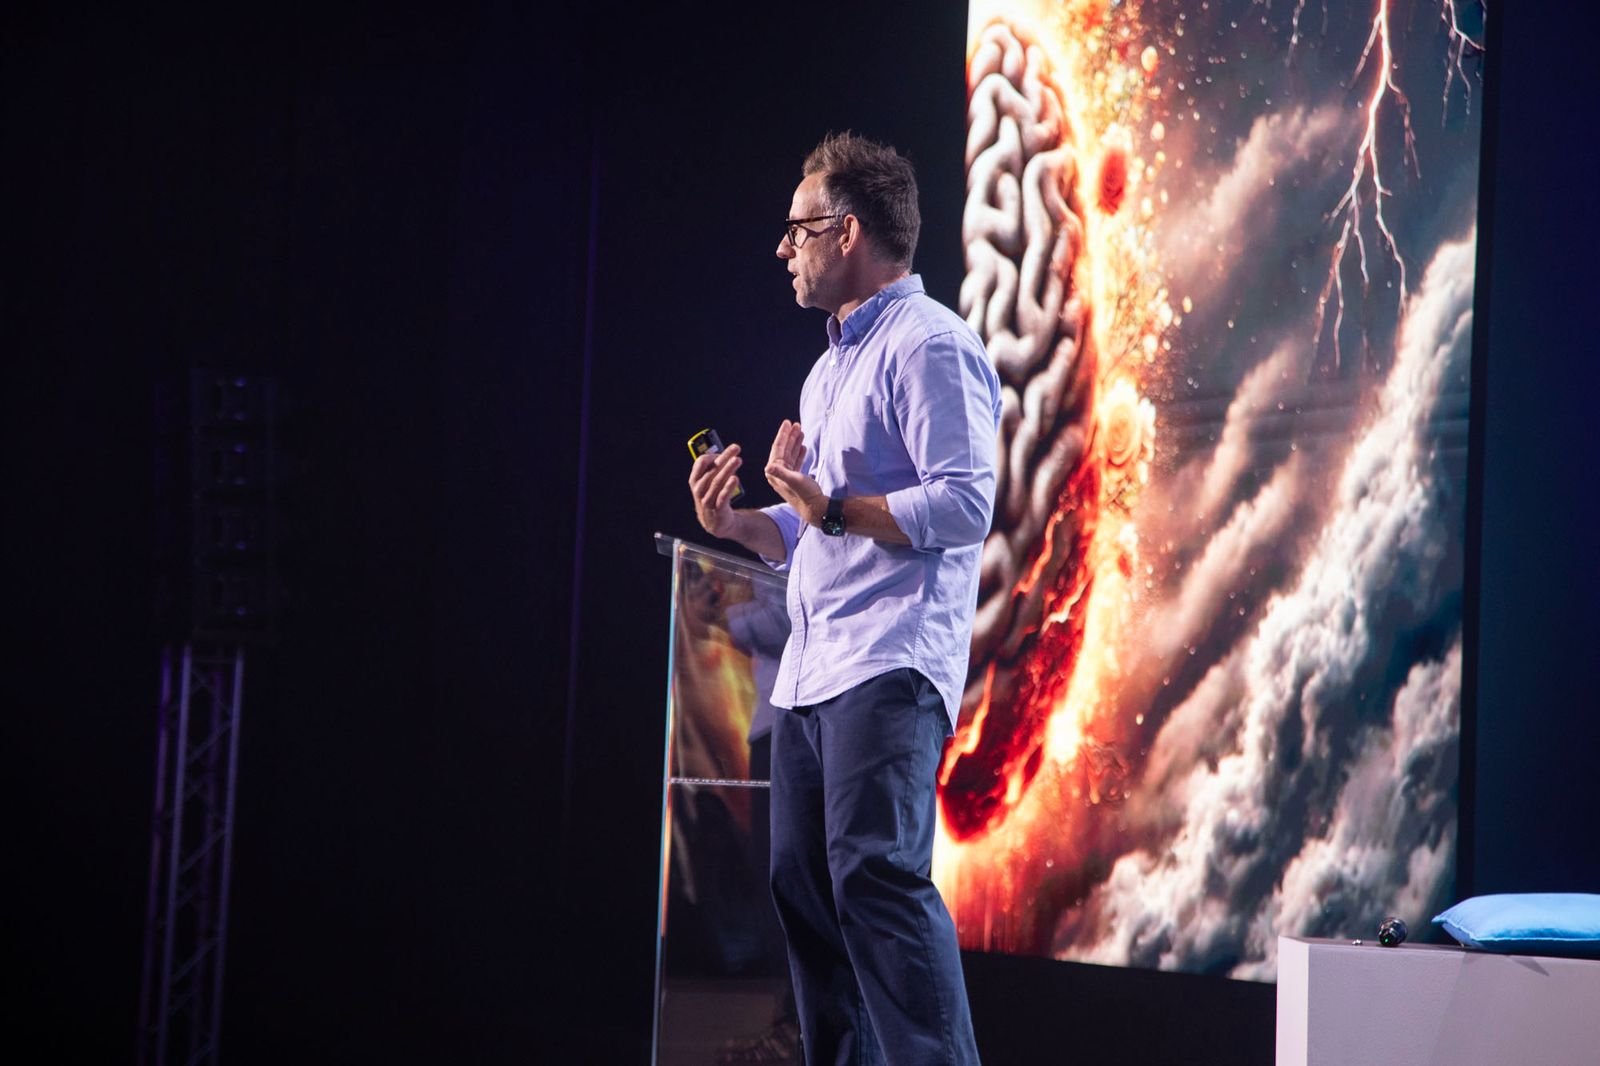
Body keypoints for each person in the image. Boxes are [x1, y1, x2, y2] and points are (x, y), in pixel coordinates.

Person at [688, 132, 999, 1066]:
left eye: (798, 229)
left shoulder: (931, 343)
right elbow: (817, 531)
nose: (784, 248)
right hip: (815, 672)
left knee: (877, 880)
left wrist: (828, 507)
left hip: (889, 661)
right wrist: (749, 525)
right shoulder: (827, 371)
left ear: (848, 230)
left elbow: (964, 500)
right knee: (802, 886)